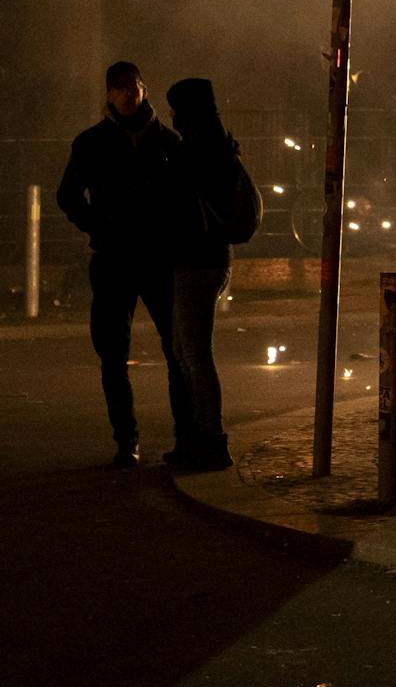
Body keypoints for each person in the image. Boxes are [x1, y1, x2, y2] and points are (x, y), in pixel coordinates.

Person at [55, 61, 190, 466]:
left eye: (132, 88)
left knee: (176, 349)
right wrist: (98, 225)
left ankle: (181, 436)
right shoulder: (93, 143)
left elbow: (186, 197)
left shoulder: (168, 142)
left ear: (144, 90)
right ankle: (126, 438)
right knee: (114, 353)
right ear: (109, 94)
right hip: (115, 257)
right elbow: (68, 195)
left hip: (156, 257)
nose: (127, 96)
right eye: (119, 89)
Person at [163, 78, 261, 472]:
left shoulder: (199, 152)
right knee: (186, 351)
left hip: (198, 261)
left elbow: (181, 204)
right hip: (205, 259)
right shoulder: (217, 146)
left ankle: (211, 440)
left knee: (194, 355)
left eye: (175, 109)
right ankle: (200, 438)